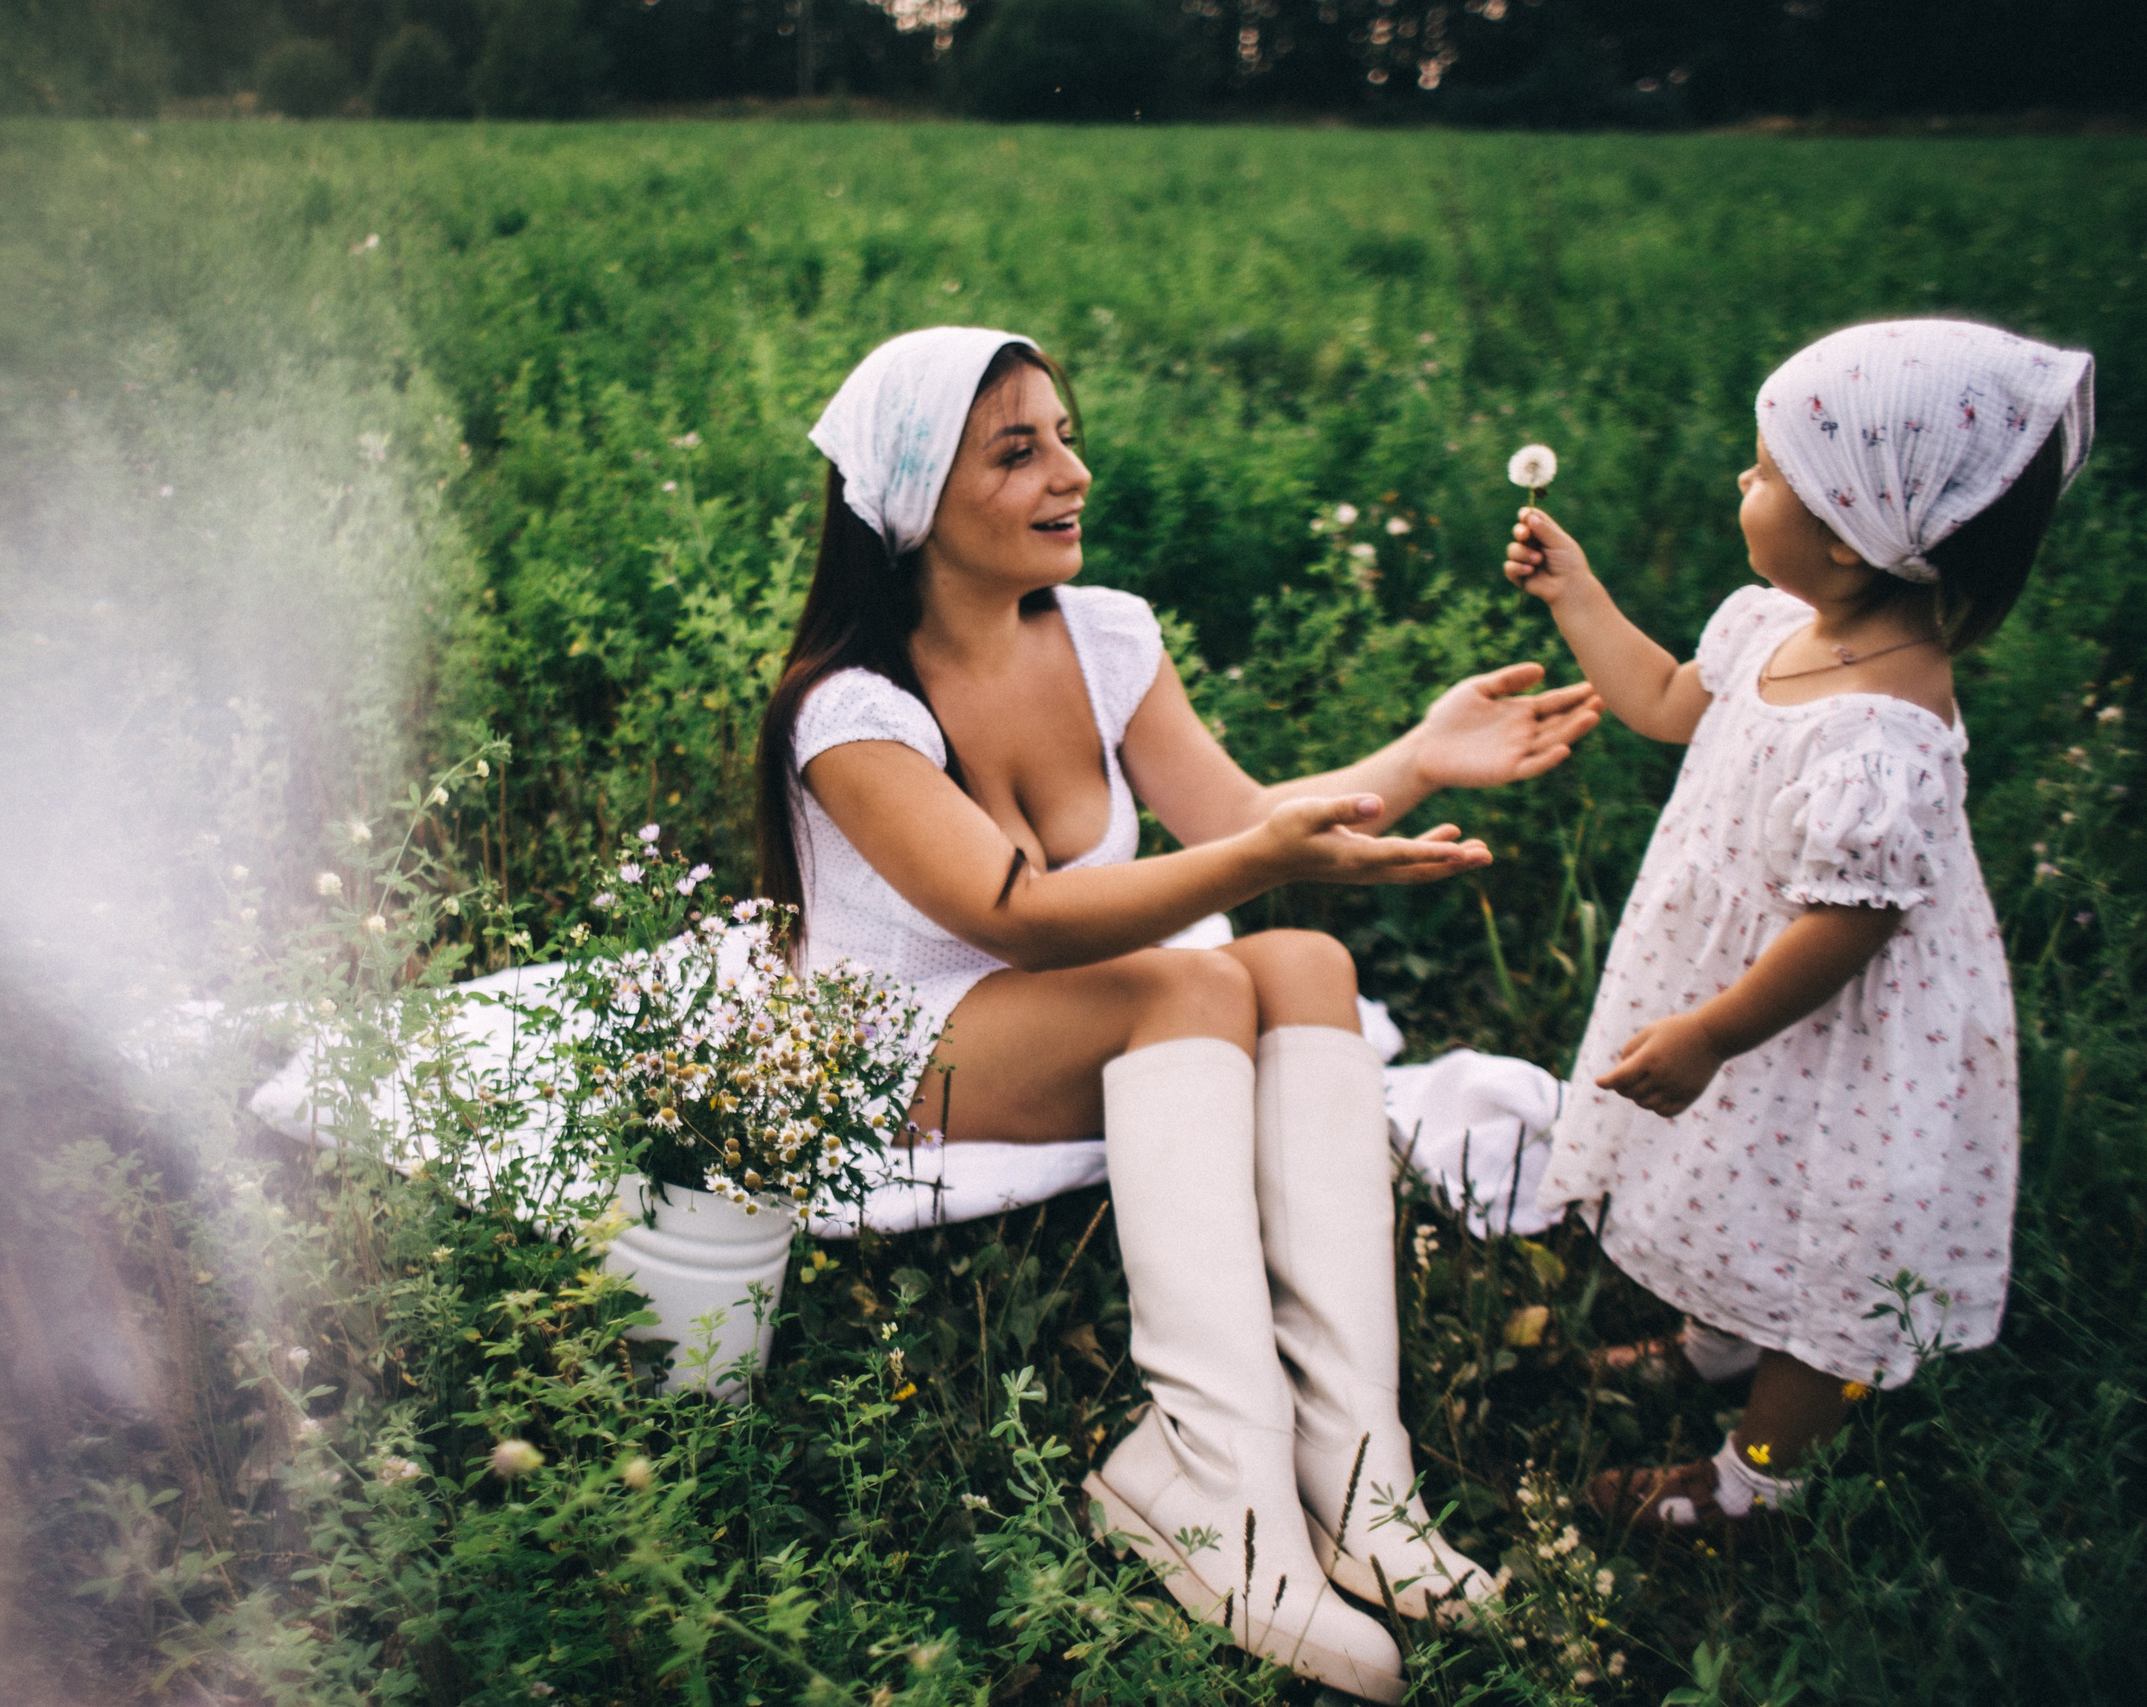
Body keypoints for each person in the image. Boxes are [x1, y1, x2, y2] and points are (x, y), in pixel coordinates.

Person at [758, 326, 1602, 1698]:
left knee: (1305, 964)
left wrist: (1417, 756)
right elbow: (1016, 914)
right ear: (914, 501)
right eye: (1017, 451)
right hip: (900, 1043)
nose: (1070, 472)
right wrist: (1263, 861)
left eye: (1065, 436)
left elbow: (1234, 818)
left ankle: (1360, 1471)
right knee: (1196, 975)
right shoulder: (848, 710)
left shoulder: (1102, 634)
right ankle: (1212, 1486)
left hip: (1055, 1006)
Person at [1502, 319, 2093, 1528]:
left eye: (1767, 470)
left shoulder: (1880, 734)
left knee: (1825, 1239)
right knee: (1731, 1172)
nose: (1741, 478)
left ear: (1845, 529)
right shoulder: (1774, 624)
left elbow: (1846, 929)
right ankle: (1717, 1343)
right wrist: (1577, 594)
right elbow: (1663, 702)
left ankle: (1752, 1484)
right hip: (1743, 980)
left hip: (1830, 1034)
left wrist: (1712, 1034)